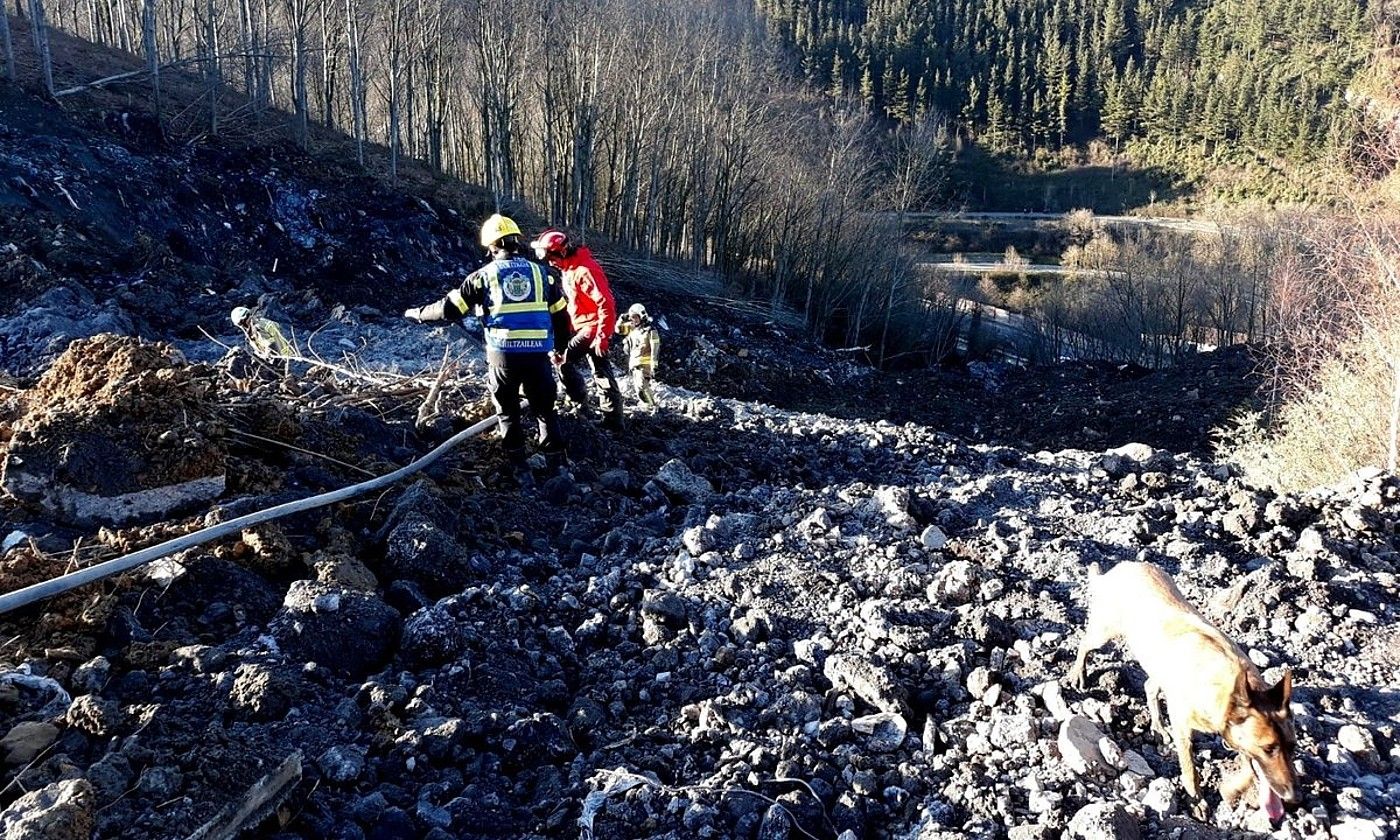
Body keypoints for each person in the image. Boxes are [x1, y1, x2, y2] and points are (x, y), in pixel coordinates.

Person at [403, 213, 571, 486]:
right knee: (545, 409)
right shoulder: (543, 275)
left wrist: (417, 313)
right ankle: (557, 467)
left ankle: (520, 469)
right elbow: (562, 319)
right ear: (517, 242)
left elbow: (449, 310)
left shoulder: (482, 277)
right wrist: (560, 349)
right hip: (538, 355)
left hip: (503, 356)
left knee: (508, 412)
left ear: (491, 246)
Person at [529, 229, 625, 431]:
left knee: (562, 358)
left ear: (561, 252)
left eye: (551, 258)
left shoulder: (584, 271)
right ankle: (613, 420)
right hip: (586, 327)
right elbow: (577, 305)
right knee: (601, 371)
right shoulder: (570, 269)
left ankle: (580, 401)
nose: (550, 263)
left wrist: (602, 337)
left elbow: (606, 303)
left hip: (593, 328)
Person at [616, 303, 661, 411]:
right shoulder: (632, 329)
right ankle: (647, 405)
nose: (633, 319)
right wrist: (622, 318)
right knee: (638, 388)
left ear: (642, 316)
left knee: (641, 386)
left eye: (635, 317)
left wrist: (654, 364)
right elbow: (618, 330)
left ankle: (652, 406)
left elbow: (656, 347)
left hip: (644, 363)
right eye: (632, 317)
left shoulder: (651, 330)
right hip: (634, 363)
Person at [231, 306, 296, 372]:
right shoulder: (261, 322)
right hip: (290, 357)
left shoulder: (257, 329)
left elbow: (271, 347)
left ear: (241, 323)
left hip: (284, 362)